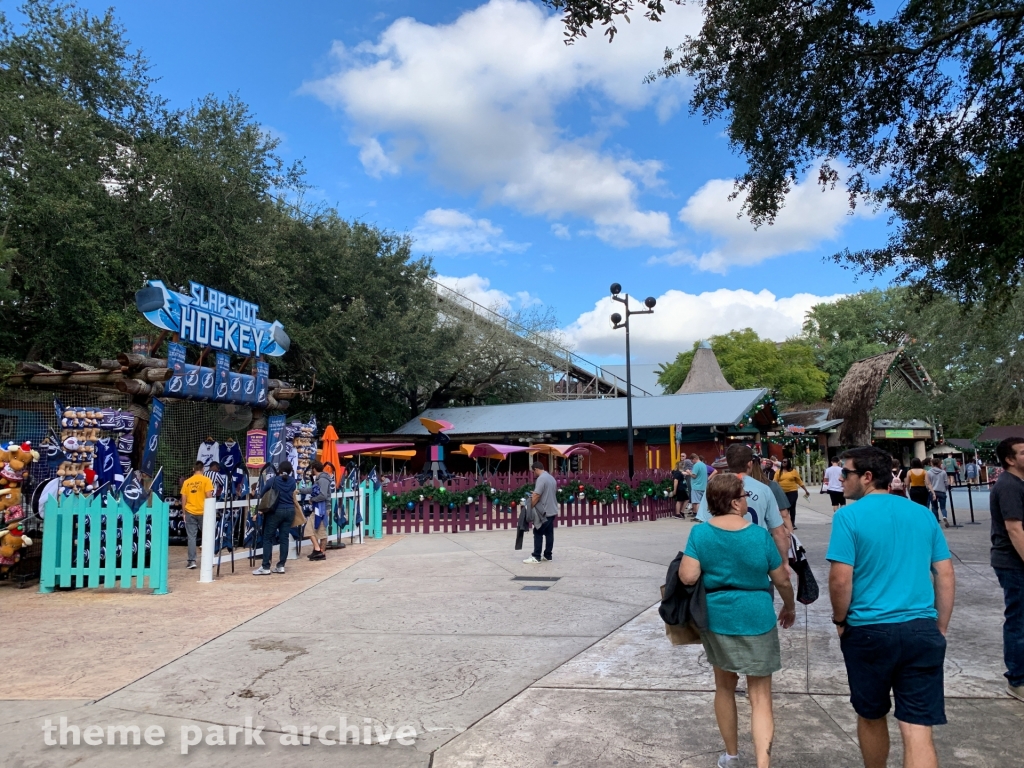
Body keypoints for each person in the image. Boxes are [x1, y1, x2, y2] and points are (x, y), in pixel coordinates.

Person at [827, 447, 955, 768]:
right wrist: (939, 626)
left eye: (846, 473)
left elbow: (841, 581)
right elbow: (944, 573)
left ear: (867, 478)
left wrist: (840, 620)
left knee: (871, 715)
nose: (841, 478)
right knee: (917, 728)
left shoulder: (848, 516)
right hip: (921, 629)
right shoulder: (923, 514)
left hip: (869, 630)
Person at [680, 472, 796, 768]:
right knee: (760, 696)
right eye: (744, 496)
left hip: (718, 617)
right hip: (757, 615)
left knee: (724, 686)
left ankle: (731, 756)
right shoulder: (758, 535)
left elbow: (688, 576)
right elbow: (781, 579)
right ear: (734, 502)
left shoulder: (701, 533)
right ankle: (762, 763)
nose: (747, 500)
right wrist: (789, 606)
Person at [697, 444, 792, 567]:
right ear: (749, 464)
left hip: (724, 562)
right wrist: (784, 562)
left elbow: (704, 525)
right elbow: (778, 532)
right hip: (758, 561)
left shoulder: (714, 488)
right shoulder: (764, 490)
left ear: (728, 463)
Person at [990, 436, 1024, 702]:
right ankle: (1017, 680)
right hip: (1014, 563)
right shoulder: (1009, 486)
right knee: (1019, 620)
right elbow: (1014, 529)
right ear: (1010, 460)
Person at [253, 461, 298, 576]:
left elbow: (262, 493)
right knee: (284, 538)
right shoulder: (293, 481)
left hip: (275, 512)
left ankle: (265, 566)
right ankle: (281, 565)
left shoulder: (273, 480)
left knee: (268, 538)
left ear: (279, 470)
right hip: (290, 511)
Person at [180, 461, 214, 570]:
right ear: (203, 469)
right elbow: (209, 495)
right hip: (204, 511)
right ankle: (209, 560)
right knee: (207, 536)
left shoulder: (187, 482)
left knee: (191, 537)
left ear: (193, 469)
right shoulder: (207, 480)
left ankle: (192, 561)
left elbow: (183, 498)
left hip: (190, 511)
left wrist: (184, 513)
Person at [524, 461, 558, 563]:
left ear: (536, 469)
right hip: (552, 510)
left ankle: (536, 556)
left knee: (538, 532)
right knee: (549, 533)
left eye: (533, 471)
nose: (533, 474)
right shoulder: (551, 478)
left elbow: (537, 495)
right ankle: (548, 555)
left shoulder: (541, 479)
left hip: (544, 511)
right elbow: (547, 493)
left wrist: (530, 506)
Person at [298, 460, 332, 561]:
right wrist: (300, 490)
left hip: (321, 509)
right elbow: (312, 489)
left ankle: (319, 552)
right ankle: (318, 551)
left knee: (316, 531)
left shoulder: (322, 480)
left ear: (314, 469)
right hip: (319, 508)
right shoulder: (321, 479)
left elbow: (323, 495)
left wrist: (312, 499)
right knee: (316, 530)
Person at [748, 459, 792, 532]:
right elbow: (784, 515)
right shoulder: (771, 486)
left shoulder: (736, 487)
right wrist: (792, 536)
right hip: (767, 535)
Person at [775, 458, 810, 529]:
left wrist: (805, 490)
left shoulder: (793, 472)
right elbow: (775, 482)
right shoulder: (778, 472)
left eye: (785, 462)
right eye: (783, 462)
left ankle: (792, 523)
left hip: (792, 491)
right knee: (784, 508)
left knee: (791, 507)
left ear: (788, 463)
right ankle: (786, 523)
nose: (783, 463)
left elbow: (799, 481)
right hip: (782, 492)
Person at [926, 458, 950, 527]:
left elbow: (928, 483)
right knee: (943, 507)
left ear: (932, 463)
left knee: (934, 507)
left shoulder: (929, 472)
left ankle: (936, 521)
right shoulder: (943, 472)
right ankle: (944, 516)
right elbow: (946, 482)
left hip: (933, 491)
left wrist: (931, 491)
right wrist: (945, 489)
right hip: (942, 491)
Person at [688, 454, 708, 518]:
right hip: (703, 485)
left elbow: (694, 476)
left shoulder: (696, 465)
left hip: (696, 486)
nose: (692, 462)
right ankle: (702, 515)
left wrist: (689, 472)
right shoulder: (703, 465)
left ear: (694, 459)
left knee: (697, 502)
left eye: (692, 461)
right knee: (702, 502)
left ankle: (698, 516)